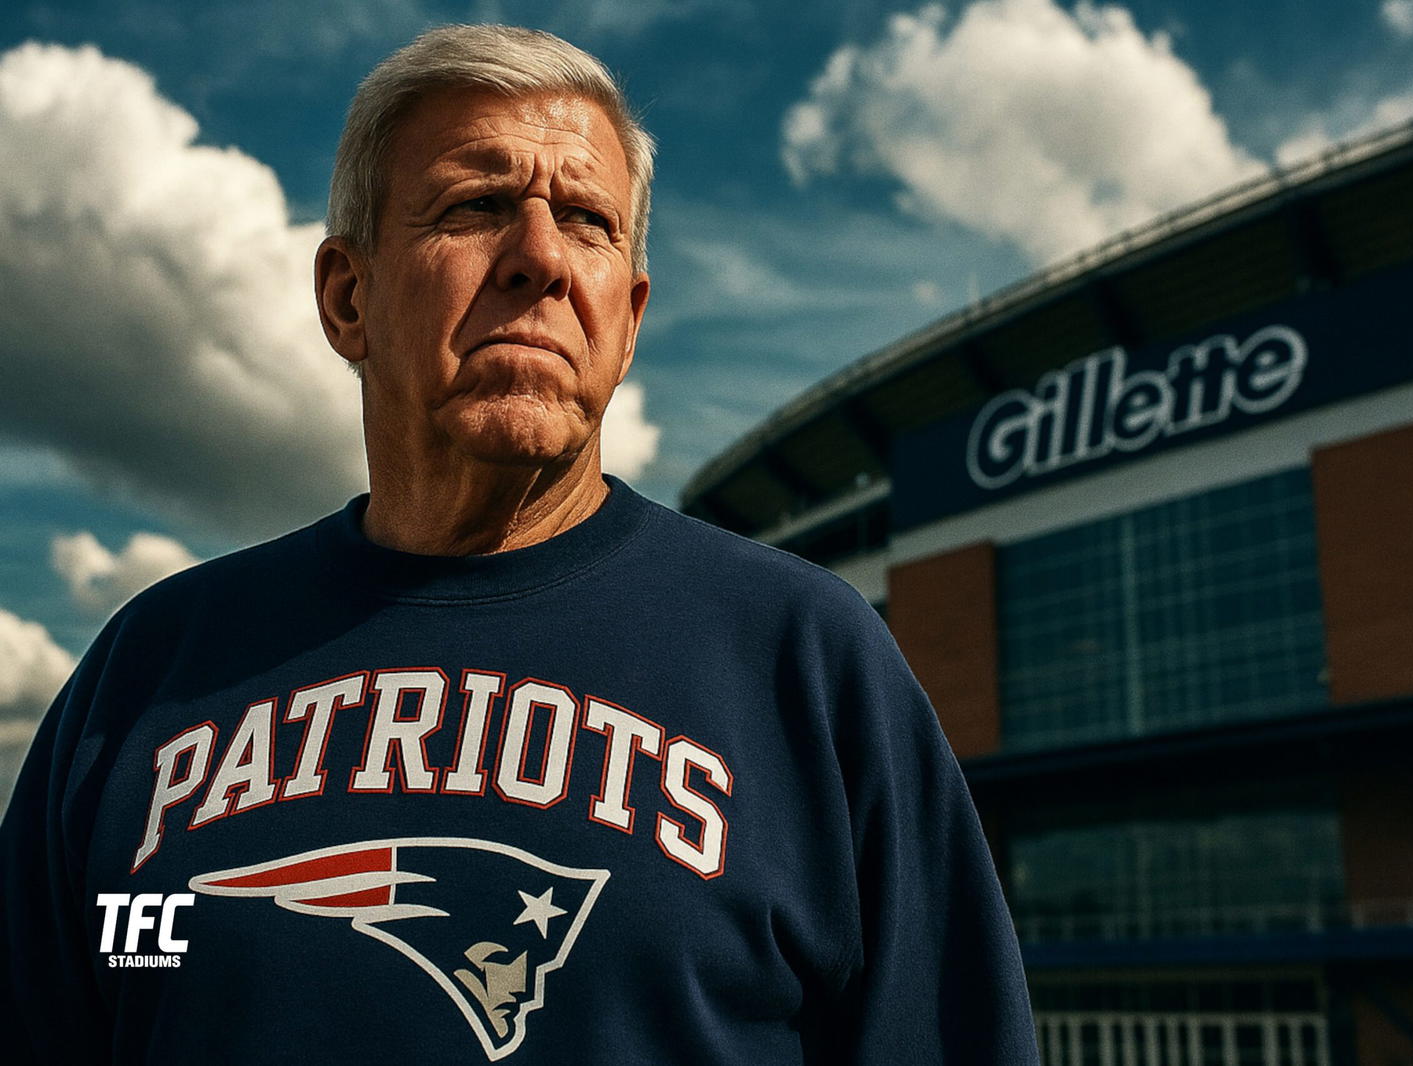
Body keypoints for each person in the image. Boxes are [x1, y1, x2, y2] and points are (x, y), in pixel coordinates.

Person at [0, 24, 1038, 1065]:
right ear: (347, 295)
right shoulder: (150, 671)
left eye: (586, 220)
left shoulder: (807, 658)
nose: (539, 258)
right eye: (477, 206)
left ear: (627, 321)